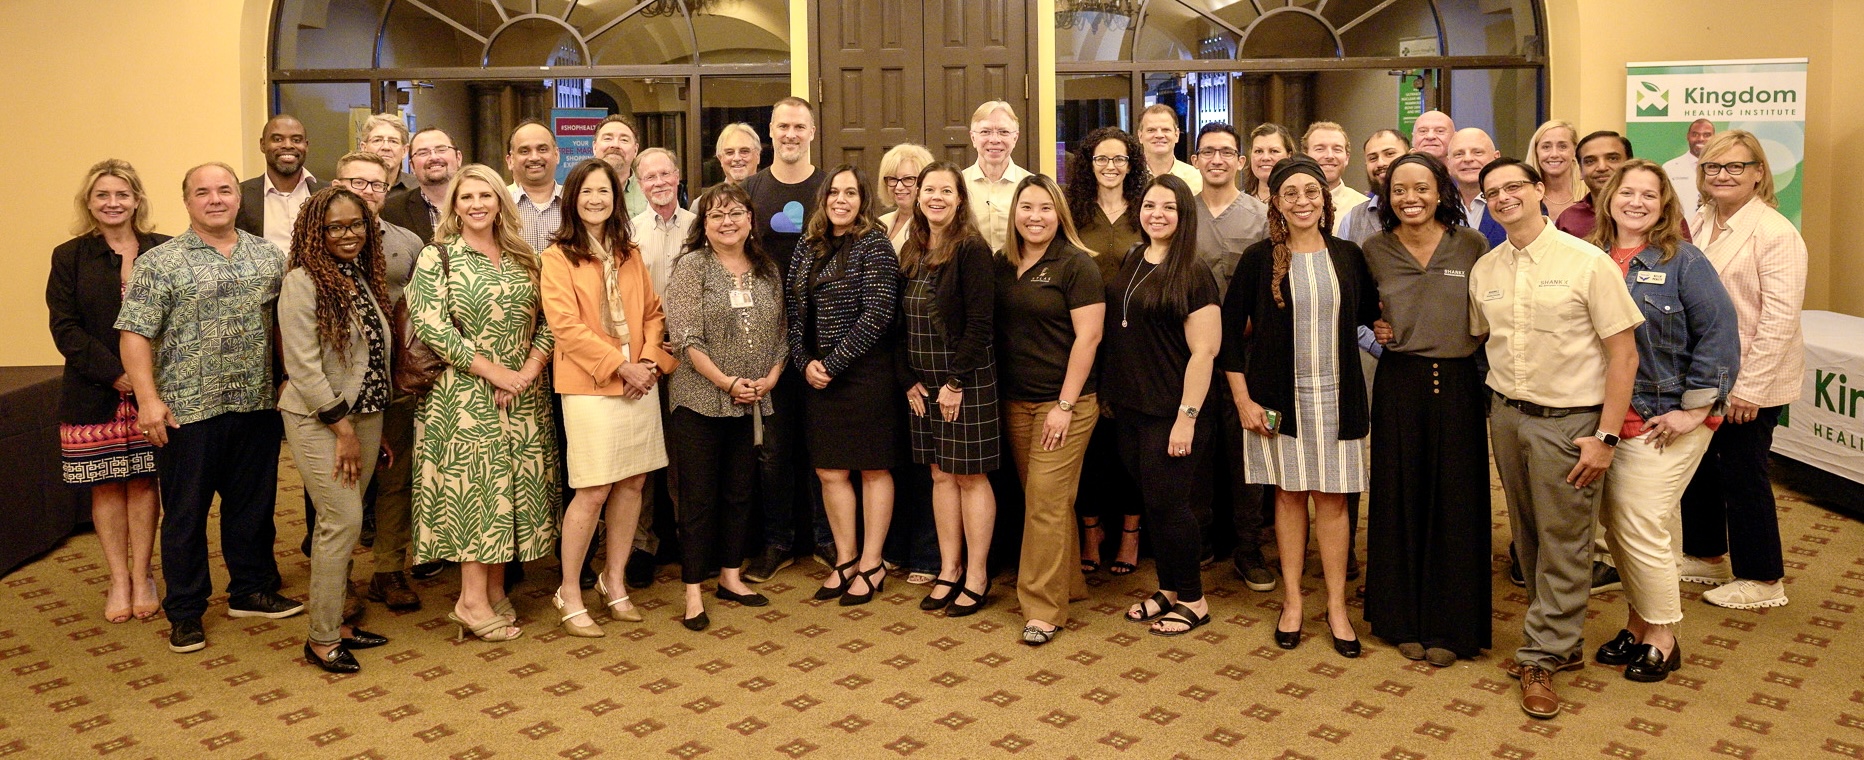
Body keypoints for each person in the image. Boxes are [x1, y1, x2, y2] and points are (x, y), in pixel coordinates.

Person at [1469, 158, 1642, 720]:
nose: (1503, 197)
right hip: (1507, 416)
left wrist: (1606, 437)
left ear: (1540, 190)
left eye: (1514, 186)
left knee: (1566, 542)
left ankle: (1543, 654)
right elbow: (1478, 337)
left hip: (1570, 422)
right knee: (1528, 540)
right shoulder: (1485, 268)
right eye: (1493, 192)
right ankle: (1560, 640)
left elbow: (1624, 354)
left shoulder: (1588, 263)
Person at [117, 162, 302, 655]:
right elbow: (134, 335)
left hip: (256, 404)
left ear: (238, 199)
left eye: (224, 190)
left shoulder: (269, 257)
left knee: (253, 508)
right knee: (185, 515)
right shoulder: (161, 263)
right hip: (185, 411)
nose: (215, 199)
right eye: (203, 192)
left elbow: (283, 325)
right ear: (187, 201)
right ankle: (185, 611)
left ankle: (250, 589)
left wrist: (287, 377)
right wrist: (148, 401)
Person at [1588, 159, 1740, 683]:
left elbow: (1719, 334)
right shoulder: (1592, 258)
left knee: (1640, 525)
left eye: (1648, 195)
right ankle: (1637, 622)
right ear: (1609, 198)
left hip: (1664, 418)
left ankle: (1662, 636)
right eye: (1626, 192)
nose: (1636, 202)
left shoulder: (1685, 261)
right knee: (1620, 528)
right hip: (1607, 418)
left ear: (1664, 203)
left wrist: (1696, 410)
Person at [1222, 156, 1379, 658]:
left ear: (1325, 199)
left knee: (1333, 500)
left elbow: (1374, 317)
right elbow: (1227, 335)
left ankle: (1335, 606)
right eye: (1290, 194)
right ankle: (1292, 601)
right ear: (1276, 202)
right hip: (1277, 401)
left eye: (1311, 192)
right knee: (1289, 496)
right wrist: (1243, 400)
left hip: (1338, 397)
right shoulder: (1258, 258)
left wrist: (1389, 331)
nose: (1302, 202)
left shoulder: (1349, 255)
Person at [406, 163, 561, 643]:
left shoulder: (526, 258)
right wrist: (495, 372)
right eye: (466, 197)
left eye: (485, 196)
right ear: (454, 205)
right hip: (463, 397)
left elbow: (552, 320)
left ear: (500, 203)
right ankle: (469, 601)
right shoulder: (439, 257)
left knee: (510, 491)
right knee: (478, 495)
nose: (476, 205)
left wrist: (526, 373)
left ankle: (493, 590)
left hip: (524, 394)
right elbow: (432, 326)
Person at [1359, 153, 1492, 666]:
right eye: (1398, 190)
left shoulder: (1472, 244)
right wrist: (1376, 335)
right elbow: (1358, 312)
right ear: (1387, 196)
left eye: (1420, 188)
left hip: (1458, 384)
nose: (1409, 198)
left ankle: (1452, 625)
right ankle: (1400, 619)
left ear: (1441, 190)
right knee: (1399, 502)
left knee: (1456, 505)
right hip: (1399, 384)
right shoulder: (1372, 249)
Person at [538, 159, 674, 637]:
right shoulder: (557, 256)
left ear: (617, 199)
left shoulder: (629, 251)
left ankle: (612, 580)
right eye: (587, 191)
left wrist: (650, 362)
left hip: (640, 381)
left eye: (605, 191)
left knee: (633, 483)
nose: (596, 199)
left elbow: (655, 313)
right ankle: (569, 591)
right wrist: (623, 367)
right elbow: (565, 328)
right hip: (591, 384)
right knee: (593, 489)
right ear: (572, 198)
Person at [1678, 130, 1808, 611]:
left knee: (1742, 474)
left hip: (1753, 379)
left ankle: (1762, 577)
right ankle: (1706, 554)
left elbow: (1779, 318)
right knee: (1700, 470)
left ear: (1759, 173)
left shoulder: (1775, 233)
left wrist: (1748, 390)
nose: (1723, 175)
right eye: (1714, 167)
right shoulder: (1702, 219)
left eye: (1736, 167)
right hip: (1705, 373)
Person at [277, 186, 396, 673]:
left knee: (344, 526)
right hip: (318, 419)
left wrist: (371, 427)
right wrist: (343, 429)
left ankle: (342, 623)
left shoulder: (360, 276)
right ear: (314, 232)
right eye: (335, 227)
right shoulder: (303, 282)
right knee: (341, 522)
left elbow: (369, 359)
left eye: (356, 225)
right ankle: (322, 638)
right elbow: (303, 368)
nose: (348, 235)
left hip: (365, 417)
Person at [48, 159, 168, 625]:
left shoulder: (163, 249)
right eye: (103, 195)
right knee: (104, 484)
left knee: (143, 480)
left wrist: (143, 380)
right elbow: (65, 327)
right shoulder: (69, 255)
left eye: (122, 194)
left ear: (137, 200)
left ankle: (144, 575)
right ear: (90, 202)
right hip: (94, 391)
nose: (113, 203)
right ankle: (118, 578)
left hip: (152, 392)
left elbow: (175, 321)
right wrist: (115, 373)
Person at [664, 183, 788, 631]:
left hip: (754, 398)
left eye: (736, 213)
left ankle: (731, 576)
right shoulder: (691, 268)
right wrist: (726, 382)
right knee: (698, 498)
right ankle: (694, 590)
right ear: (704, 225)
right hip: (700, 401)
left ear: (750, 220)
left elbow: (781, 333)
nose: (727, 221)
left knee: (741, 491)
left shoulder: (765, 268)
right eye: (716, 215)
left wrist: (770, 378)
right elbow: (685, 338)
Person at [1102, 174, 1220, 637]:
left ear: (1183, 214)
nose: (1157, 214)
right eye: (1150, 205)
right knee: (1153, 503)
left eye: (1168, 207)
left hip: (1174, 411)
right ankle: (1169, 588)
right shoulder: (1135, 257)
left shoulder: (1194, 271)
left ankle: (1193, 598)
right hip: (1132, 408)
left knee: (1172, 506)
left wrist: (1186, 418)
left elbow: (1204, 352)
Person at [996, 174, 1104, 645]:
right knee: (1045, 501)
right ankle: (1069, 584)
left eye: (1044, 208)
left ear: (1058, 213)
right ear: (1014, 214)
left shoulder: (1077, 265)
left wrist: (1063, 404)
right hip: (1016, 400)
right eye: (1026, 207)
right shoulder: (1004, 264)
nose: (1034, 217)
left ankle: (1041, 608)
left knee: (1043, 501)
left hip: (1067, 403)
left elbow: (1090, 336)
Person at [787, 165, 902, 606]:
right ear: (824, 198)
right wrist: (804, 362)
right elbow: (793, 309)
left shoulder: (874, 244)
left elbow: (878, 314)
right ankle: (846, 558)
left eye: (850, 193)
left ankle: (872, 562)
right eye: (834, 192)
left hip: (865, 376)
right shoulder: (807, 244)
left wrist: (832, 363)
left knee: (873, 468)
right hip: (816, 376)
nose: (840, 200)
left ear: (863, 199)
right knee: (830, 471)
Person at [899, 161, 1001, 617]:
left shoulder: (971, 248)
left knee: (969, 476)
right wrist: (909, 381)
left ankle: (977, 575)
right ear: (917, 196)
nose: (935, 197)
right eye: (928, 189)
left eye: (946, 190)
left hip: (965, 379)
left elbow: (981, 324)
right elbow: (899, 323)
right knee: (940, 474)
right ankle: (948, 569)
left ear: (960, 198)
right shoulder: (913, 246)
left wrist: (955, 382)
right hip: (922, 385)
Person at [330, 152, 426, 612]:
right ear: (337, 185)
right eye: (357, 182)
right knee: (340, 483)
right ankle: (340, 577)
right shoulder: (316, 241)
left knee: (395, 481)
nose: (368, 191)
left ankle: (388, 570)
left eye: (377, 184)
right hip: (339, 387)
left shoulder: (408, 243)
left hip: (395, 382)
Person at [740, 96, 827, 583]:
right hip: (766, 339)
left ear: (813, 131)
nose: (791, 134)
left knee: (822, 444)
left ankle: (827, 539)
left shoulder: (829, 187)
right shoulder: (750, 189)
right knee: (773, 449)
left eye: (799, 126)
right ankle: (778, 541)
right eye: (782, 126)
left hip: (821, 339)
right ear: (770, 133)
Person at [1189, 122, 1273, 590]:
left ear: (1241, 161)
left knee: (1248, 452)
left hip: (1246, 354)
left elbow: (1271, 284)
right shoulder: (1184, 213)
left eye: (1226, 152)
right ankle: (1200, 539)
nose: (1216, 159)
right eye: (1207, 152)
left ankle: (1248, 547)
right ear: (1196, 160)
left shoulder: (1261, 216)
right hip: (1191, 356)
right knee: (1197, 451)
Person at [1062, 127, 1147, 577]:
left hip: (1138, 342)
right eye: (1101, 160)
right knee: (1090, 443)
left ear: (1131, 164)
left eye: (1119, 160)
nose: (1110, 168)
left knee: (1131, 443)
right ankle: (1091, 529)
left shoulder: (1146, 209)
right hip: (1084, 340)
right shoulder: (1073, 212)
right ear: (1088, 165)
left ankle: (1131, 533)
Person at [625, 147, 698, 589]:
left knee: (686, 456)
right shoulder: (628, 233)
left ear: (677, 174)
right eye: (648, 176)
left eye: (665, 173)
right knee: (643, 457)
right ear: (638, 183)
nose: (658, 182)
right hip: (644, 359)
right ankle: (641, 546)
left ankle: (692, 540)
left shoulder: (699, 227)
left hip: (694, 359)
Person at [236, 114, 325, 251]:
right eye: (278, 139)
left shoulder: (327, 193)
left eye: (296, 140)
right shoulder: (241, 195)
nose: (288, 145)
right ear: (262, 145)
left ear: (306, 146)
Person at [962, 101, 1032, 252]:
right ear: (973, 138)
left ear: (1015, 138)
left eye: (1003, 132)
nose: (994, 139)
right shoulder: (957, 184)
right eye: (985, 132)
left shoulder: (1031, 185)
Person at [382, 127, 461, 247]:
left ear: (458, 158)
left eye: (441, 150)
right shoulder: (390, 212)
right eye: (423, 153)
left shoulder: (482, 205)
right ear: (412, 166)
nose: (434, 157)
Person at [1337, 130, 1411, 245]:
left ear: (1410, 156)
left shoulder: (1427, 210)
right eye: (1373, 158)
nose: (1380, 163)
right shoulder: (1351, 220)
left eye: (1389, 154)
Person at [1555, 131, 1633, 239]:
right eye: (1590, 161)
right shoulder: (1569, 220)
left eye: (1612, 158)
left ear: (1631, 165)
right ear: (1580, 170)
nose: (1601, 167)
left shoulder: (1646, 212)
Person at [505, 120, 563, 253]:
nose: (534, 157)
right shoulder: (497, 204)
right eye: (524, 151)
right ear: (510, 161)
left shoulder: (576, 202)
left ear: (556, 155)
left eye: (542, 149)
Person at [1447, 128, 1507, 246]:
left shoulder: (1516, 201)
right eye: (1459, 154)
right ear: (1448, 163)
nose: (1468, 159)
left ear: (1496, 158)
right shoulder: (1439, 206)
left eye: (1477, 152)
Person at [877, 143, 935, 252]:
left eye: (908, 179)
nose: (899, 187)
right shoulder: (880, 223)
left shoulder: (932, 226)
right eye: (893, 179)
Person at [1303, 122, 1368, 219]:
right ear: (1305, 156)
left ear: (1347, 158)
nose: (1329, 156)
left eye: (1337, 149)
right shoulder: (1290, 203)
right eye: (1320, 149)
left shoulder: (1364, 208)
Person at [1136, 104, 1201, 193]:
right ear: (1140, 136)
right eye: (1151, 130)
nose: (1159, 135)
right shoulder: (1128, 177)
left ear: (1177, 135)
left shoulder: (1197, 179)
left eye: (1166, 130)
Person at [1529, 120, 1586, 221]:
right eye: (1546, 147)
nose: (1554, 154)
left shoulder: (1590, 196)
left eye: (1562, 146)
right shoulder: (1525, 197)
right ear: (1536, 151)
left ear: (1575, 151)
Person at [594, 114, 649, 219]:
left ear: (635, 150)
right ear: (594, 147)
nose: (615, 145)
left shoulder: (649, 191)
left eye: (624, 140)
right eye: (607, 138)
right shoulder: (577, 190)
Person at [1243, 123, 1296, 205]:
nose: (1265, 158)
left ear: (1289, 155)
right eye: (1258, 151)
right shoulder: (1239, 203)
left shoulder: (1300, 201)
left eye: (1274, 151)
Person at [360, 113, 414, 192]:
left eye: (393, 141)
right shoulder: (351, 188)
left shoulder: (420, 188)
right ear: (364, 148)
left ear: (405, 151)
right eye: (377, 140)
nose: (386, 147)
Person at [1664, 119, 1716, 195]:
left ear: (1714, 138)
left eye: (1706, 135)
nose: (1700, 139)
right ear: (1688, 136)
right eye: (1695, 134)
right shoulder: (1669, 168)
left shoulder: (1724, 168)